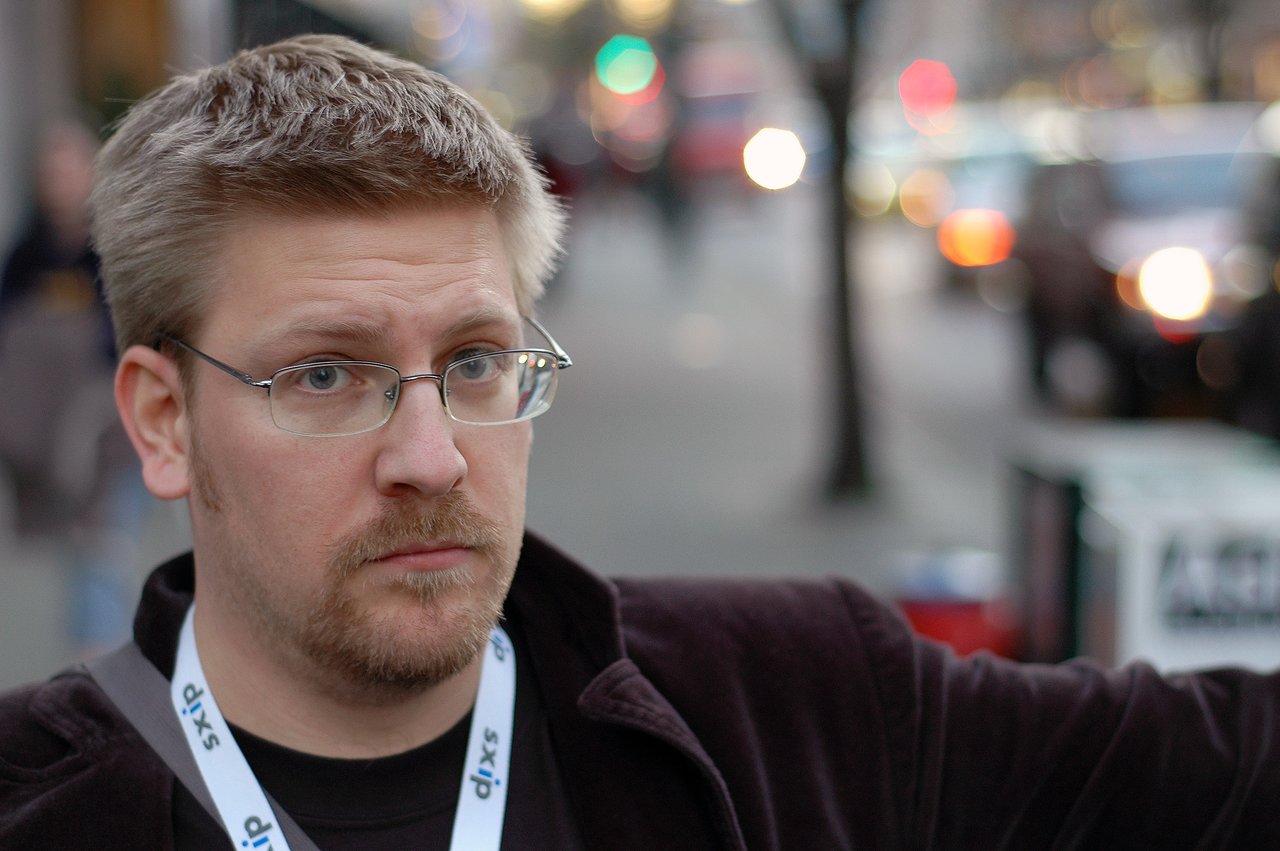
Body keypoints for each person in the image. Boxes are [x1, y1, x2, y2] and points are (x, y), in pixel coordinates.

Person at [1, 35, 1278, 849]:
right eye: (327, 375)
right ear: (163, 421)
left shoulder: (797, 707)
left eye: (476, 363)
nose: (434, 458)